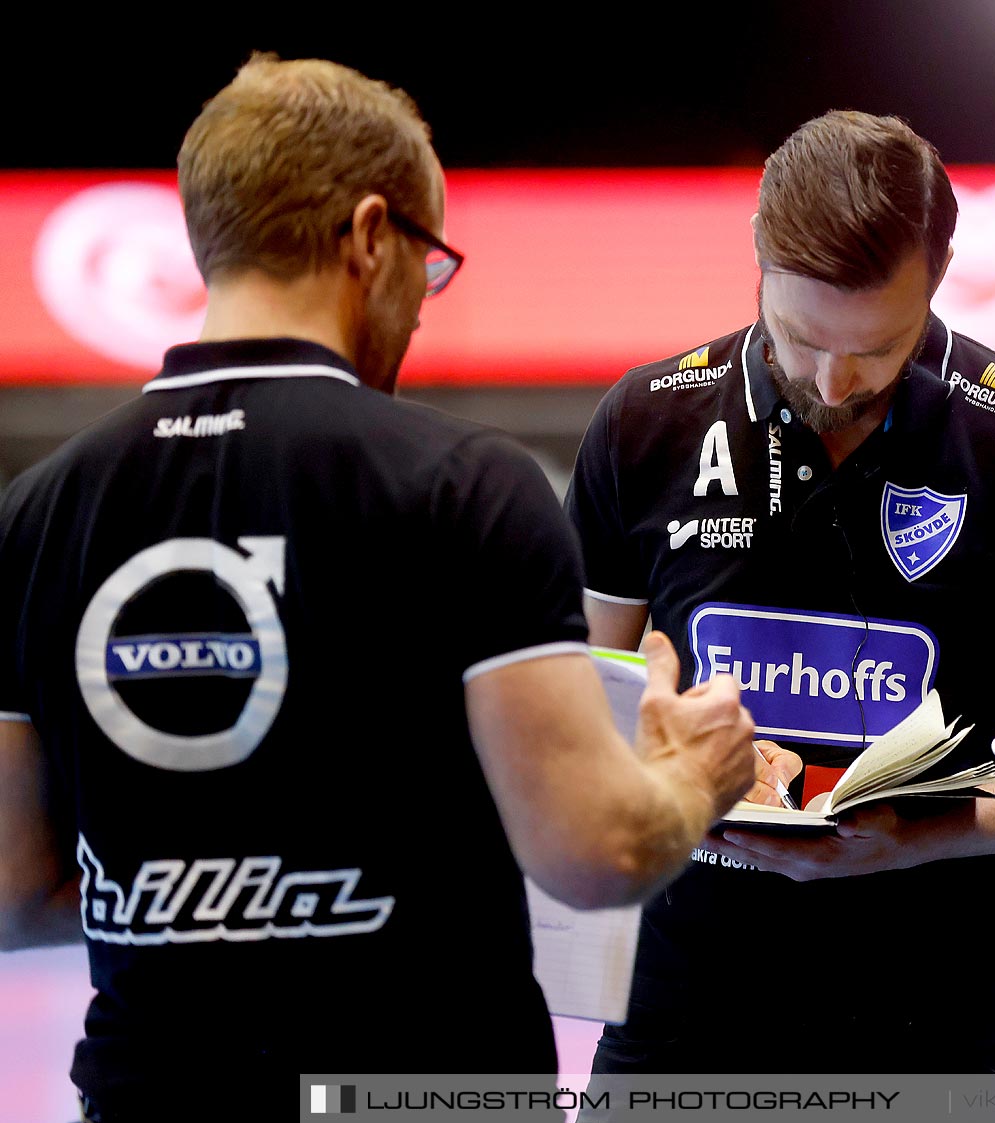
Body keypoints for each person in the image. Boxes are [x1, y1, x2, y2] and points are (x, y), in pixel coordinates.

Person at [0, 55, 756, 1120]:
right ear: (367, 236)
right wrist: (694, 770)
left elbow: (13, 885)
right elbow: (599, 852)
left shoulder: (35, 514)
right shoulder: (465, 486)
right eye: (429, 264)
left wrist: (212, 898)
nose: (421, 306)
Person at [565, 110, 995, 1074]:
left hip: (935, 1031)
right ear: (757, 262)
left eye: (877, 348)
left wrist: (913, 840)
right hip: (676, 1023)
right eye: (800, 338)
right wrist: (672, 760)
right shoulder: (644, 424)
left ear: (939, 274)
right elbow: (574, 712)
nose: (834, 382)